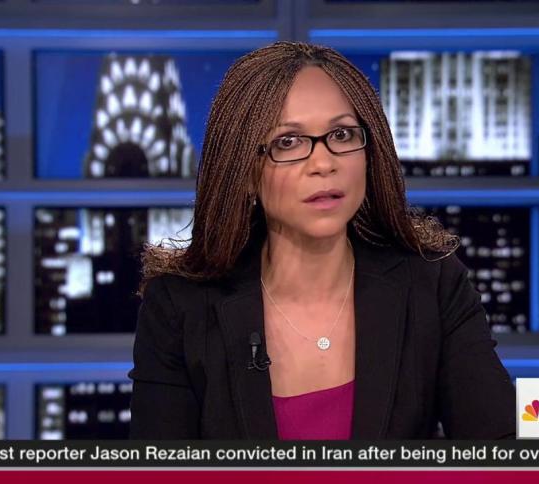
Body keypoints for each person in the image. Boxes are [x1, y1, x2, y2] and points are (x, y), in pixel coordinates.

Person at [129, 41, 516, 439]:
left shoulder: (432, 285)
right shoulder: (180, 308)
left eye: (342, 134)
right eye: (288, 142)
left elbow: (506, 448)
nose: (324, 162)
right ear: (245, 170)